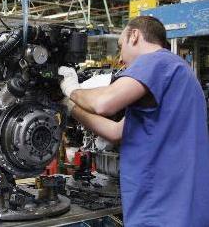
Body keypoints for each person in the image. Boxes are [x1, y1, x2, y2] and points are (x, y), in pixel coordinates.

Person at [58, 15, 209, 226]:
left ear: (135, 36)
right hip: (181, 208)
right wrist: (69, 106)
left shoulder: (157, 61)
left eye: (120, 46)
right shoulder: (177, 72)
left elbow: (104, 103)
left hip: (162, 209)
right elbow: (116, 131)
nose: (120, 59)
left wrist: (71, 88)